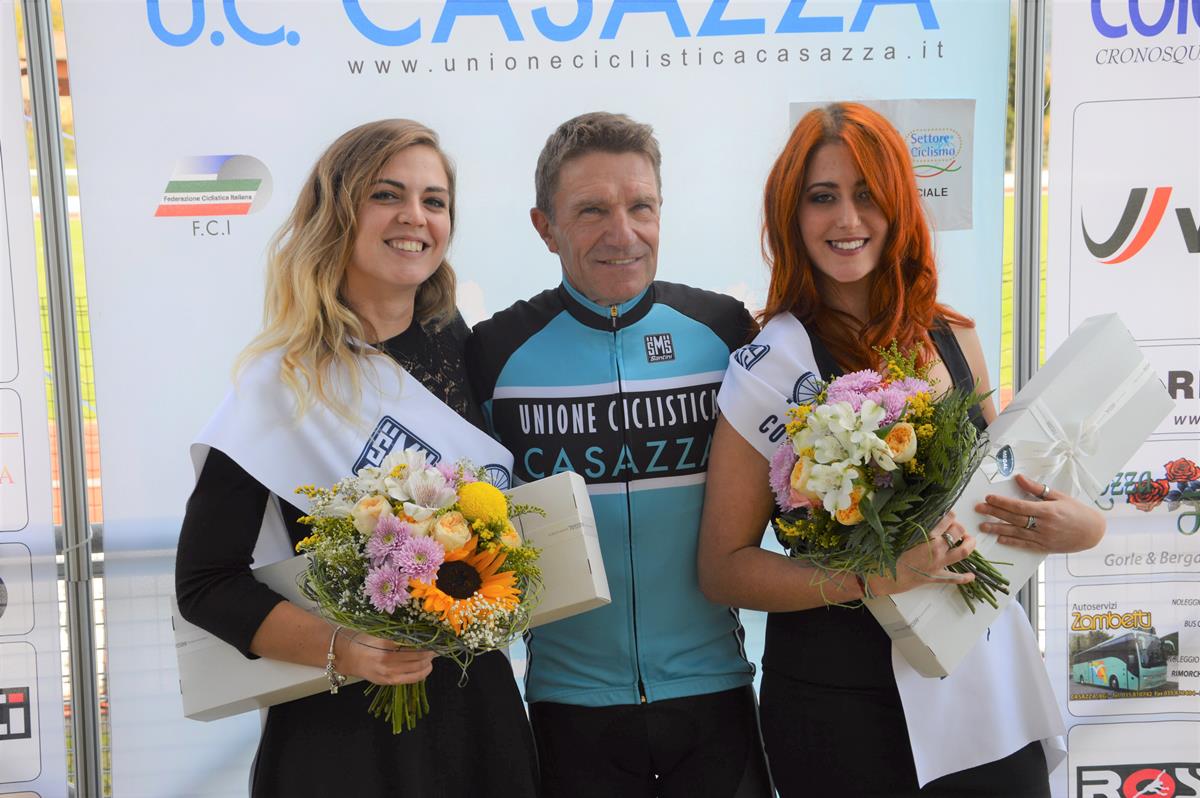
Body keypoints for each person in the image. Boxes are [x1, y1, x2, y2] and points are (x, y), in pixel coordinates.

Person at [697, 102, 1105, 797]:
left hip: (984, 692)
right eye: (822, 197)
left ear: (900, 206)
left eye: (867, 194)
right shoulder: (768, 367)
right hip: (841, 713)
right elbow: (724, 570)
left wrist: (1082, 527)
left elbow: (1000, 497)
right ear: (791, 215)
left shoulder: (955, 338)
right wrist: (872, 577)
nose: (847, 219)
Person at [175, 119, 538, 797]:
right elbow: (204, 584)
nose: (415, 216)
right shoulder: (281, 385)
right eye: (386, 194)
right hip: (339, 731)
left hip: (476, 716)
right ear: (337, 213)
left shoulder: (470, 354)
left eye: (434, 201)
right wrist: (345, 649)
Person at [466, 112, 771, 798]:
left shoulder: (724, 332)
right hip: (567, 707)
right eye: (592, 210)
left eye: (641, 207)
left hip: (717, 695)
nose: (623, 233)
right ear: (545, 227)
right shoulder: (494, 351)